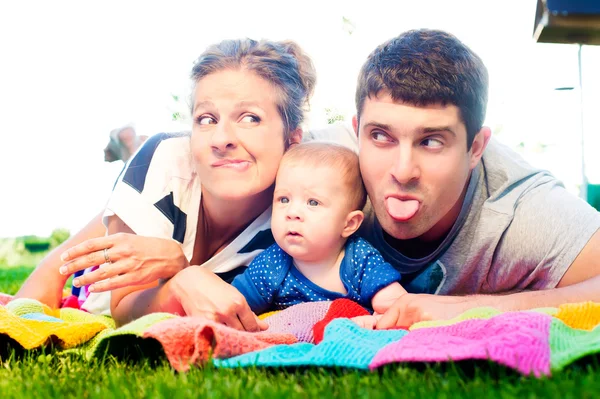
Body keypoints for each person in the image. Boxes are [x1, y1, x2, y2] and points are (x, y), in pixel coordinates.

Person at [40, 38, 318, 330]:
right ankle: (127, 146)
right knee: (153, 169)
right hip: (97, 281)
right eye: (206, 118)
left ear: (292, 138)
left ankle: (128, 147)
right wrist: (180, 280)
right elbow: (122, 309)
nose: (221, 138)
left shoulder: (301, 209)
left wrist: (181, 268)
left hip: (167, 199)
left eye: (250, 118)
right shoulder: (168, 158)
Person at [349, 29, 600, 328]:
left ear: (476, 148)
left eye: (431, 141)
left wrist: (468, 308)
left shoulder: (518, 210)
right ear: (357, 132)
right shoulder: (324, 174)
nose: (403, 172)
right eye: (380, 136)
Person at [231, 142, 406, 315]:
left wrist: (377, 320)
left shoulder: (359, 259)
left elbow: (397, 306)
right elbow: (233, 306)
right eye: (284, 199)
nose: (292, 212)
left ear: (349, 224)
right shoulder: (273, 263)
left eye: (313, 202)